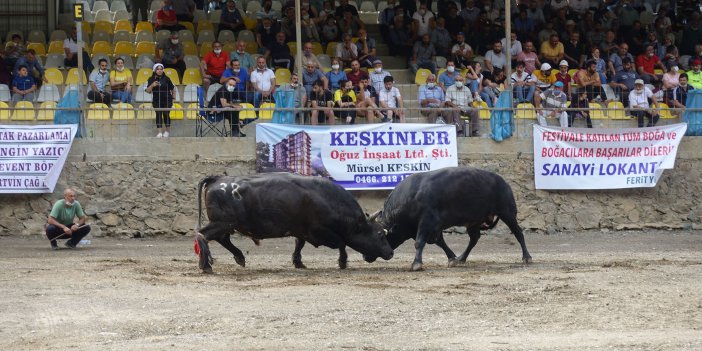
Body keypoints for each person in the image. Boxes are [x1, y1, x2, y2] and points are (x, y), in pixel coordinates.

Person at [146, 63, 176, 137]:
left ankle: (167, 131)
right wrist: (152, 85)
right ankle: (159, 132)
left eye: (161, 69)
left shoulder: (167, 78)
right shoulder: (151, 79)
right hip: (156, 100)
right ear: (155, 70)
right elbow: (148, 91)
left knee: (166, 114)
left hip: (167, 99)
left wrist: (173, 100)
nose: (159, 70)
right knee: (158, 114)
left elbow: (173, 89)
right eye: (158, 69)